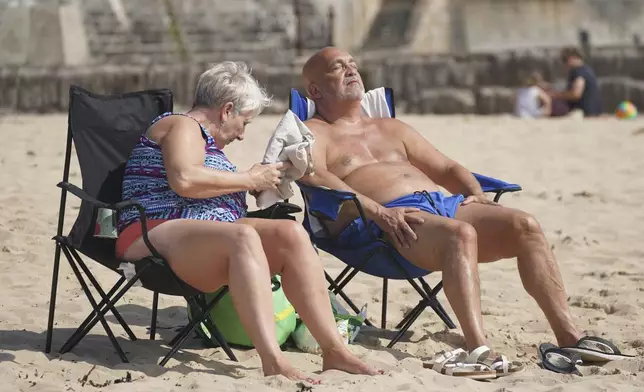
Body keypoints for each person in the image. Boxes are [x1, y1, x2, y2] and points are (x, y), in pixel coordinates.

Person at [298, 47, 629, 377]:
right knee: (460, 234)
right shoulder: (316, 131)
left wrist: (475, 194)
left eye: (353, 64)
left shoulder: (391, 127)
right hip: (387, 223)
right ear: (315, 90)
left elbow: (445, 166)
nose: (351, 70)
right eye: (338, 67)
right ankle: (478, 349)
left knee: (524, 225)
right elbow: (314, 175)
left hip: (442, 206)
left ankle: (569, 336)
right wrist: (375, 211)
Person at [115, 61, 380, 382]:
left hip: (201, 238)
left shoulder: (207, 144)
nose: (242, 134)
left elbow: (206, 185)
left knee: (291, 234)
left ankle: (335, 350)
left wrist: (258, 185)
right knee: (242, 238)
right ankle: (273, 359)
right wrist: (247, 178)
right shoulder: (181, 125)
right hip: (153, 233)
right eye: (244, 122)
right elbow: (183, 179)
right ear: (226, 110)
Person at [551, 47, 602, 117]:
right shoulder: (586, 70)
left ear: (573, 57)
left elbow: (576, 94)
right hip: (594, 111)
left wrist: (556, 95)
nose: (564, 64)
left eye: (565, 60)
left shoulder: (579, 71)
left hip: (585, 112)